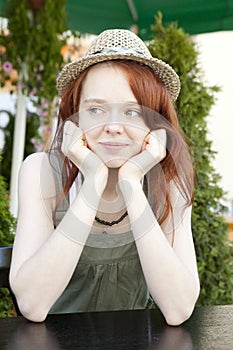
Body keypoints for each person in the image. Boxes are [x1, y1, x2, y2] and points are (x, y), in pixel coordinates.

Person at [9, 29, 200, 325]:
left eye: (132, 112)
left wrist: (131, 183)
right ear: (75, 116)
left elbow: (179, 310)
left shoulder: (168, 181)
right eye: (96, 109)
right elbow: (32, 304)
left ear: (154, 122)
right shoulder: (41, 173)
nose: (113, 126)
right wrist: (93, 182)